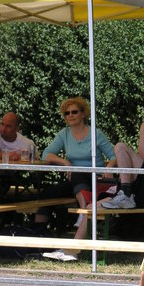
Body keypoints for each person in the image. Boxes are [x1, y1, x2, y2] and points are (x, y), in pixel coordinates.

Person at [39, 97, 116, 260]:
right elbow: (46, 155)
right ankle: (38, 236)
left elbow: (114, 156)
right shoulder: (64, 134)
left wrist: (109, 167)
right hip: (75, 180)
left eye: (74, 112)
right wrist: (65, 162)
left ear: (83, 114)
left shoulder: (96, 133)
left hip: (96, 178)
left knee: (78, 172)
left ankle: (82, 212)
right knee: (45, 193)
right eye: (67, 113)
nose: (70, 116)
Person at [0, 112, 38, 201]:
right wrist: (10, 155)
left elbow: (35, 161)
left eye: (8, 126)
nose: (3, 129)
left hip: (6, 178)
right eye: (2, 124)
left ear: (17, 129)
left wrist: (23, 158)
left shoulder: (27, 144)